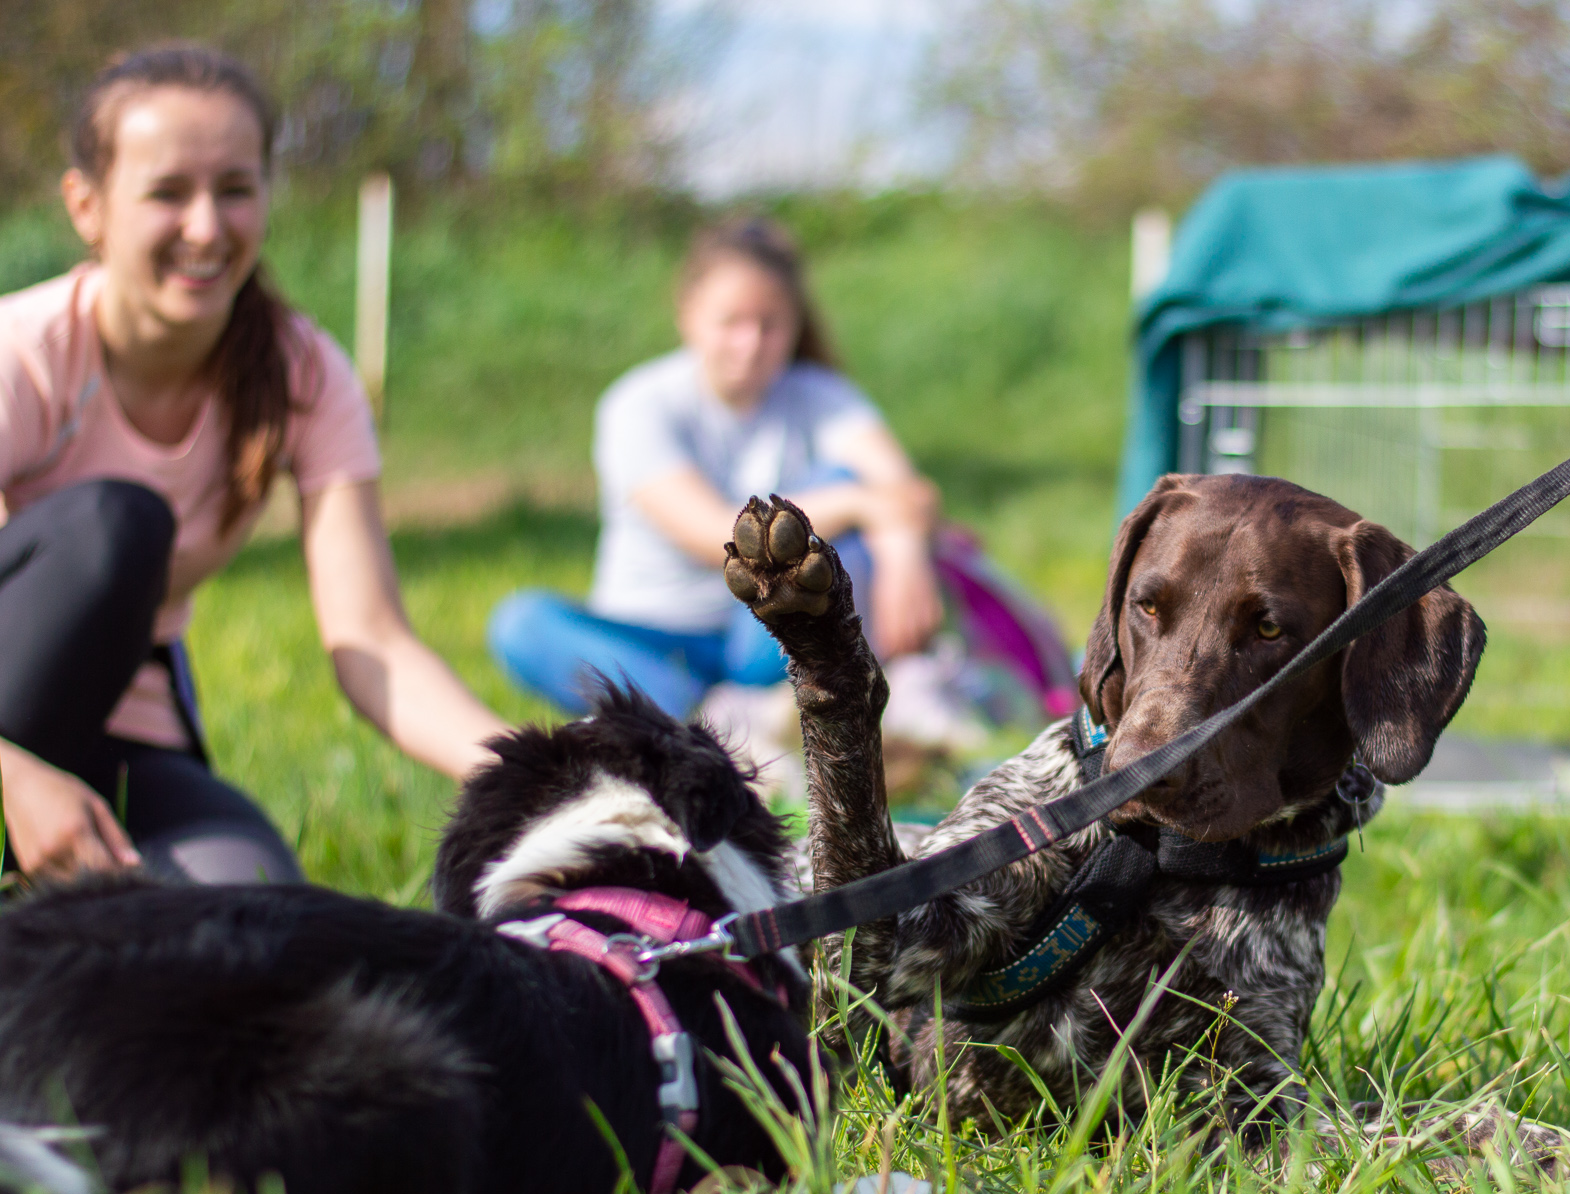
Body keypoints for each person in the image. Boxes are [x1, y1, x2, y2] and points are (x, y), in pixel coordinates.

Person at [0, 46, 509, 887]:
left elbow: (371, 639)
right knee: (117, 528)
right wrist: (13, 780)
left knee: (262, 917)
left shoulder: (303, 372)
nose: (207, 226)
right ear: (86, 206)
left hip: (125, 747)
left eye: (234, 189)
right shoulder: (26, 352)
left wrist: (527, 772)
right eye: (167, 192)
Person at [487, 216, 941, 720]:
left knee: (843, 486)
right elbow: (714, 539)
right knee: (521, 623)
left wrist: (900, 547)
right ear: (688, 316)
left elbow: (909, 492)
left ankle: (732, 718)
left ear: (795, 325)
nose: (750, 344)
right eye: (731, 322)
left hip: (760, 642)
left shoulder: (821, 395)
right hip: (650, 637)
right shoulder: (639, 403)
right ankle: (713, 719)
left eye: (770, 325)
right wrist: (864, 504)